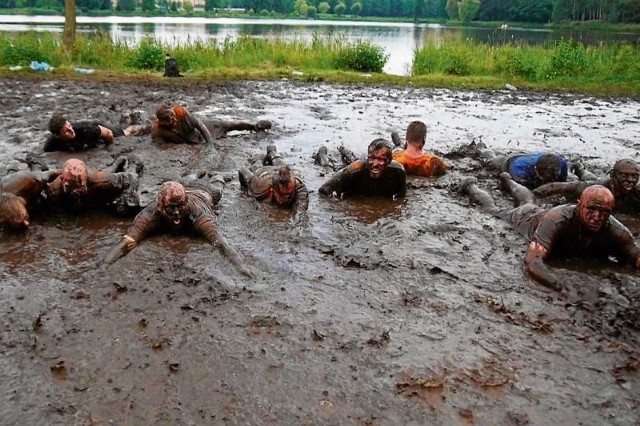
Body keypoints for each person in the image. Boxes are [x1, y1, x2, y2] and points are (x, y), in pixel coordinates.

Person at [459, 173, 640, 292]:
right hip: (526, 219)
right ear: (579, 205)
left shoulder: (617, 230)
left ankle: (506, 180)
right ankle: (471, 186)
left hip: (539, 214)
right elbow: (532, 261)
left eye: (604, 213)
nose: (597, 217)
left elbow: (636, 256)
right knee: (495, 210)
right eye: (591, 209)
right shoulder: (558, 219)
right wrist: (561, 285)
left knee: (529, 199)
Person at [103, 177, 252, 277]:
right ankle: (194, 175)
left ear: (186, 202)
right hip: (184, 182)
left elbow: (220, 243)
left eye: (180, 207)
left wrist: (241, 267)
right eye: (171, 208)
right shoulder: (150, 214)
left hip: (204, 192)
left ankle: (218, 177)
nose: (176, 213)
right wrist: (105, 265)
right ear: (160, 206)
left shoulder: (198, 214)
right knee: (190, 176)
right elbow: (127, 242)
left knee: (218, 189)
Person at [534, 158, 640, 214]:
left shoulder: (637, 194)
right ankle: (578, 167)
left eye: (635, 176)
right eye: (624, 176)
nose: (630, 180)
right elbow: (557, 187)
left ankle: (580, 168)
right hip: (592, 185)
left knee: (592, 178)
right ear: (613, 175)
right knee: (580, 180)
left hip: (597, 181)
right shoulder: (594, 189)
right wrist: (533, 197)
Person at [46, 156, 143, 215]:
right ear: (62, 180)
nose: (74, 191)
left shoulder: (98, 181)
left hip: (98, 186)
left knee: (107, 174)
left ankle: (130, 164)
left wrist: (128, 196)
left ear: (85, 179)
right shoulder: (54, 191)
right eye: (70, 186)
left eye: (79, 186)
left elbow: (131, 177)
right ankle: (117, 162)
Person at [238, 145, 309, 222]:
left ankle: (271, 152)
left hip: (280, 169)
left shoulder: (298, 187)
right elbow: (242, 170)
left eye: (290, 194)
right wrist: (244, 189)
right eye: (283, 195)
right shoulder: (260, 186)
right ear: (273, 190)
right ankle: (261, 158)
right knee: (256, 165)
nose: (286, 200)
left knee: (280, 163)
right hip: (263, 171)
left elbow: (300, 212)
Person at [318, 138, 407, 199]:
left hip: (361, 166)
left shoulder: (398, 172)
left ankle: (344, 151)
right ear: (367, 157)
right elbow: (324, 190)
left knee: (353, 159)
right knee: (328, 168)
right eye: (371, 158)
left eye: (380, 159)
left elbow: (401, 198)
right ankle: (322, 153)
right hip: (355, 169)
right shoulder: (352, 171)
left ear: (389, 161)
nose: (375, 164)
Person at [151, 104, 272, 145]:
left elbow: (200, 126)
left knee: (230, 125)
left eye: (174, 116)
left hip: (207, 128)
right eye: (171, 120)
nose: (175, 120)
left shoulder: (181, 112)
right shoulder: (157, 130)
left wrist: (210, 145)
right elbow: (161, 146)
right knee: (229, 138)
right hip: (194, 141)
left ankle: (253, 126)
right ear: (162, 122)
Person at [44, 113, 144, 152]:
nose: (71, 130)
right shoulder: (51, 143)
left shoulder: (84, 129)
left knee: (125, 133)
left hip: (100, 129)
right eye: (66, 130)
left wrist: (108, 148)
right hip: (91, 135)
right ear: (57, 135)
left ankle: (138, 124)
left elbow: (108, 133)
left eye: (69, 126)